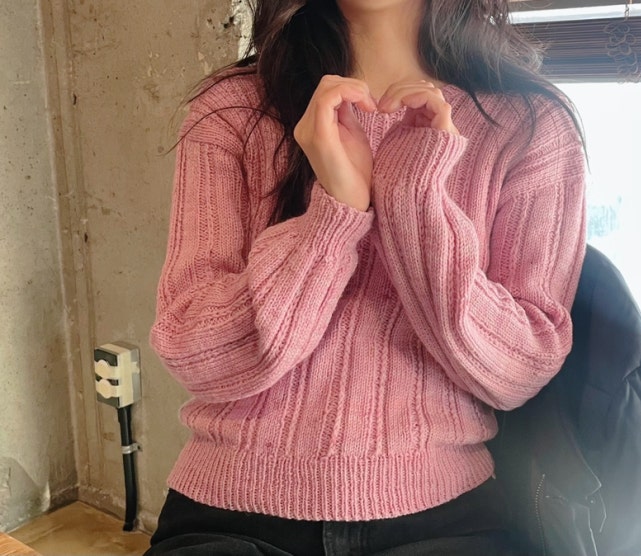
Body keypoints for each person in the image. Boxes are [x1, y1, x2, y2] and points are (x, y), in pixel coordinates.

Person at [146, 0, 586, 554]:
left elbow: (518, 371)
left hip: (444, 516)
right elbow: (195, 352)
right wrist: (333, 215)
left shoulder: (531, 126)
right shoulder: (231, 109)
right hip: (230, 511)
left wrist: (414, 203)